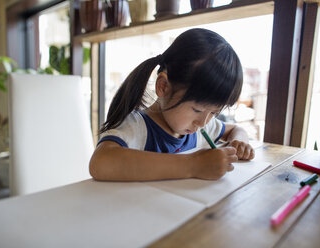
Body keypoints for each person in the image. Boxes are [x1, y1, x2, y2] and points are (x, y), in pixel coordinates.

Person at [89, 28, 255, 182]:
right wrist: (193, 165)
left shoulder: (200, 128)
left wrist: (238, 143)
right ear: (163, 86)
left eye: (214, 113)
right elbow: (100, 162)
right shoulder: (137, 127)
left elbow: (235, 129)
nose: (203, 122)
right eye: (197, 109)